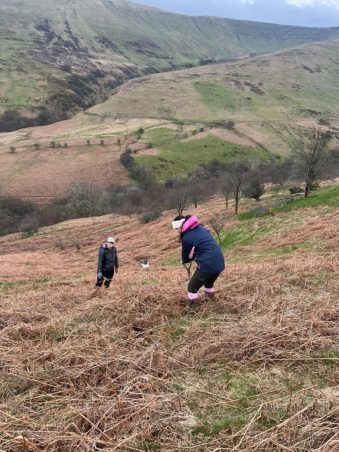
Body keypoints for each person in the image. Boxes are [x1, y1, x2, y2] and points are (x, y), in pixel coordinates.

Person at [172, 215, 225, 310]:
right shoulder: (200, 227)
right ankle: (211, 303)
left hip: (207, 264)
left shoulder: (187, 237)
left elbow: (185, 257)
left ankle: (192, 311)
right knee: (208, 283)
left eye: (177, 229)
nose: (177, 231)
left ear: (181, 225)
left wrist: (184, 260)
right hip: (219, 262)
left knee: (192, 288)